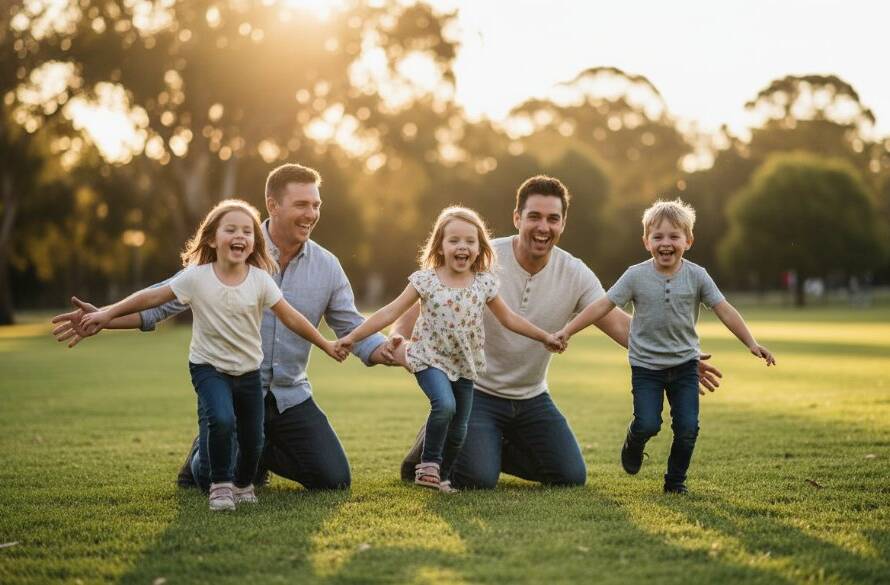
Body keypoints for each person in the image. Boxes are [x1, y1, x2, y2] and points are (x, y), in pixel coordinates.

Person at [52, 163, 397, 493]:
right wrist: (103, 317)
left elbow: (350, 323)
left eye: (316, 204)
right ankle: (207, 450)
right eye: (301, 204)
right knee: (215, 479)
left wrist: (381, 349)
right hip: (236, 391)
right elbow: (160, 304)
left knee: (333, 479)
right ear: (272, 205)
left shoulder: (327, 266)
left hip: (290, 396)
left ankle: (253, 450)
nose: (311, 214)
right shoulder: (232, 247)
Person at [394, 176, 723, 489]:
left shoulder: (575, 273)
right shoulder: (483, 257)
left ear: (563, 224)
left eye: (553, 218)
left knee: (569, 475)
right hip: (478, 392)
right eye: (534, 216)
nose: (543, 227)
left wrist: (679, 359)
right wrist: (399, 339)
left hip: (532, 397)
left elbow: (620, 323)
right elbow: (426, 294)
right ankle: (430, 451)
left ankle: (482, 444)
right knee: (479, 478)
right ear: (517, 218)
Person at [70, 199, 346, 510]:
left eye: (246, 231)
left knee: (261, 441)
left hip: (258, 379)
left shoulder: (261, 279)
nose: (239, 236)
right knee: (223, 420)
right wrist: (107, 315)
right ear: (212, 238)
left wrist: (326, 344)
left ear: (255, 241)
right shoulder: (196, 277)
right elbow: (153, 299)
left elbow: (292, 317)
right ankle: (217, 481)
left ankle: (243, 481)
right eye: (230, 230)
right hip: (210, 370)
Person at [336, 207, 563, 493]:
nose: (462, 247)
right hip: (429, 358)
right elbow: (390, 311)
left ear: (479, 247)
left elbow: (510, 319)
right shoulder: (426, 281)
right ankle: (428, 464)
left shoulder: (484, 284)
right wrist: (353, 337)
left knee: (460, 429)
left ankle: (442, 477)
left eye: (470, 241)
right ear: (440, 247)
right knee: (444, 405)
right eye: (454, 240)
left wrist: (545, 337)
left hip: (465, 363)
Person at [555, 199, 774, 494]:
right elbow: (603, 306)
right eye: (658, 237)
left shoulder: (697, 276)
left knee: (687, 428)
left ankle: (675, 482)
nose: (666, 243)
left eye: (674, 236)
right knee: (647, 423)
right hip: (646, 368)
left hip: (685, 367)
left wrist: (751, 342)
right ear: (646, 241)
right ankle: (634, 441)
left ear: (688, 240)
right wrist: (567, 331)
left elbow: (724, 309)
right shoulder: (635, 275)